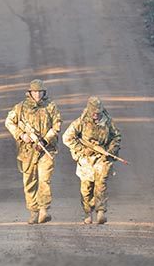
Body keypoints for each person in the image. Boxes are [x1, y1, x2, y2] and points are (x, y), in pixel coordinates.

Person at [4, 79, 62, 224]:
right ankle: (33, 211)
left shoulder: (51, 107)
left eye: (40, 91)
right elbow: (9, 122)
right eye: (34, 91)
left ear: (44, 92)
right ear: (29, 92)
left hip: (46, 149)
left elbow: (57, 125)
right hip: (27, 151)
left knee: (44, 180)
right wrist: (21, 135)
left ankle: (44, 210)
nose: (37, 94)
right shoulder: (20, 108)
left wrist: (45, 139)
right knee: (29, 182)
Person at [63, 96, 122, 224]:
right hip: (86, 160)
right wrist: (82, 150)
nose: (95, 115)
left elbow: (117, 137)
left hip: (102, 159)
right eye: (93, 112)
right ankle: (87, 212)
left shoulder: (108, 122)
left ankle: (101, 212)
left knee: (101, 185)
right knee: (86, 188)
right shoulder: (81, 122)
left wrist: (110, 151)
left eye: (98, 112)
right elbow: (67, 137)